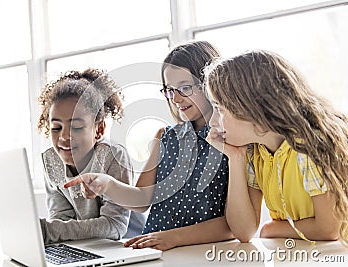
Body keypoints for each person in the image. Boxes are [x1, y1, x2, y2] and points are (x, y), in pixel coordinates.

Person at [65, 41, 234, 251]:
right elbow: (142, 199)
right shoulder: (165, 137)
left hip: (199, 252)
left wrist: (173, 238)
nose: (176, 98)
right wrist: (107, 185)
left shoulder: (232, 142)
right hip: (154, 251)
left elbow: (233, 225)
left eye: (185, 88)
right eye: (169, 90)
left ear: (209, 83)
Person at [204, 50, 347, 245]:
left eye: (220, 110)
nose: (213, 122)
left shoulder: (306, 147)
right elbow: (244, 231)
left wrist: (271, 228)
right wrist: (235, 159)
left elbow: (328, 228)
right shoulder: (256, 152)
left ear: (251, 108)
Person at [37, 68, 143, 244]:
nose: (64, 137)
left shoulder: (112, 156)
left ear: (99, 129)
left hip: (127, 246)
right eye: (56, 128)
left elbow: (115, 226)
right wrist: (48, 231)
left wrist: (48, 231)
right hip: (88, 245)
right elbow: (61, 218)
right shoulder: (50, 160)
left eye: (76, 127)